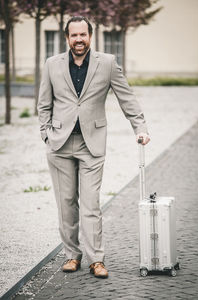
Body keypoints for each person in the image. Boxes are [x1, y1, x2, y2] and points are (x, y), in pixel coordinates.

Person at [37, 16, 150, 279]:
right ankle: (71, 256)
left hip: (92, 145)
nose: (79, 40)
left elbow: (127, 97)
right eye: (74, 35)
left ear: (91, 35)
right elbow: (44, 103)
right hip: (59, 145)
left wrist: (140, 128)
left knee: (90, 205)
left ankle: (96, 260)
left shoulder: (107, 63)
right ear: (67, 38)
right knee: (66, 204)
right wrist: (45, 134)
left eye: (83, 35)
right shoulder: (52, 65)